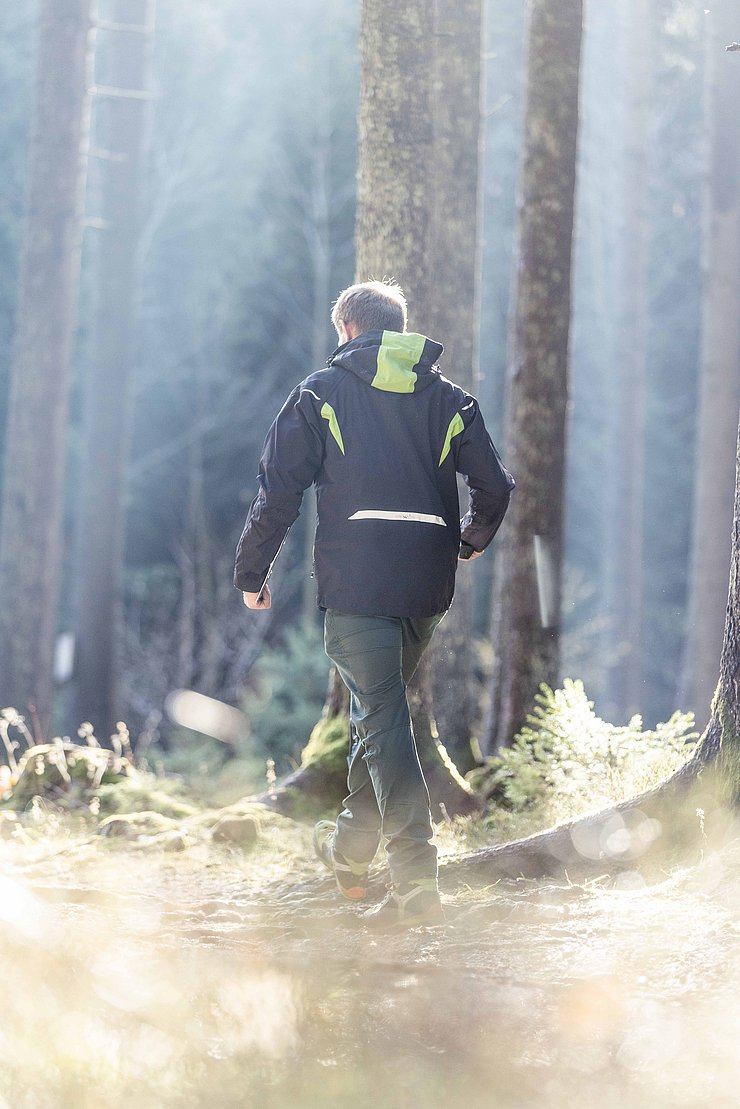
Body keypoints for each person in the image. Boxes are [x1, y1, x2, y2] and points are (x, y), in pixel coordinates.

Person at [234, 279, 514, 930]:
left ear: (350, 330)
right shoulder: (450, 399)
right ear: (398, 329)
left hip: (356, 582)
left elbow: (278, 490)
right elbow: (494, 486)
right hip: (425, 583)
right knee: (378, 712)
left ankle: (419, 882)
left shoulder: (320, 392)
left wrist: (252, 572)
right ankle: (350, 857)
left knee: (383, 718)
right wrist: (470, 540)